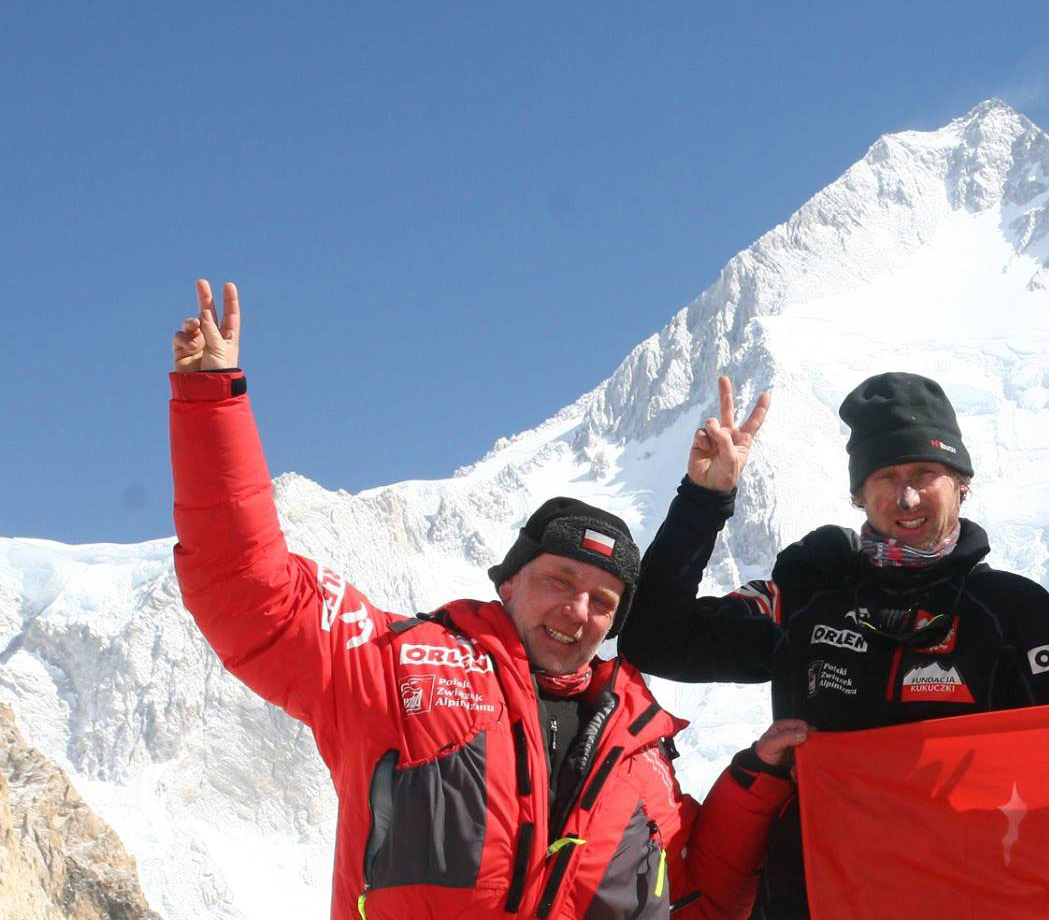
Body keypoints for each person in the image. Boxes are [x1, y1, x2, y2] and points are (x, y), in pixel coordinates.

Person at [168, 280, 803, 920]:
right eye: (560, 581)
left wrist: (758, 781)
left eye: (603, 601)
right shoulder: (397, 665)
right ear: (509, 582)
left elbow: (701, 895)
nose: (578, 610)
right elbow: (247, 590)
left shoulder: (640, 744)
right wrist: (211, 401)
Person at [619, 371, 1049, 918]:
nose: (906, 496)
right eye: (885, 477)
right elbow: (656, 640)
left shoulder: (1012, 610)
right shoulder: (808, 596)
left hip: (965, 898)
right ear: (858, 495)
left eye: (924, 473)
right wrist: (704, 500)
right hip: (811, 899)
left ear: (961, 483)